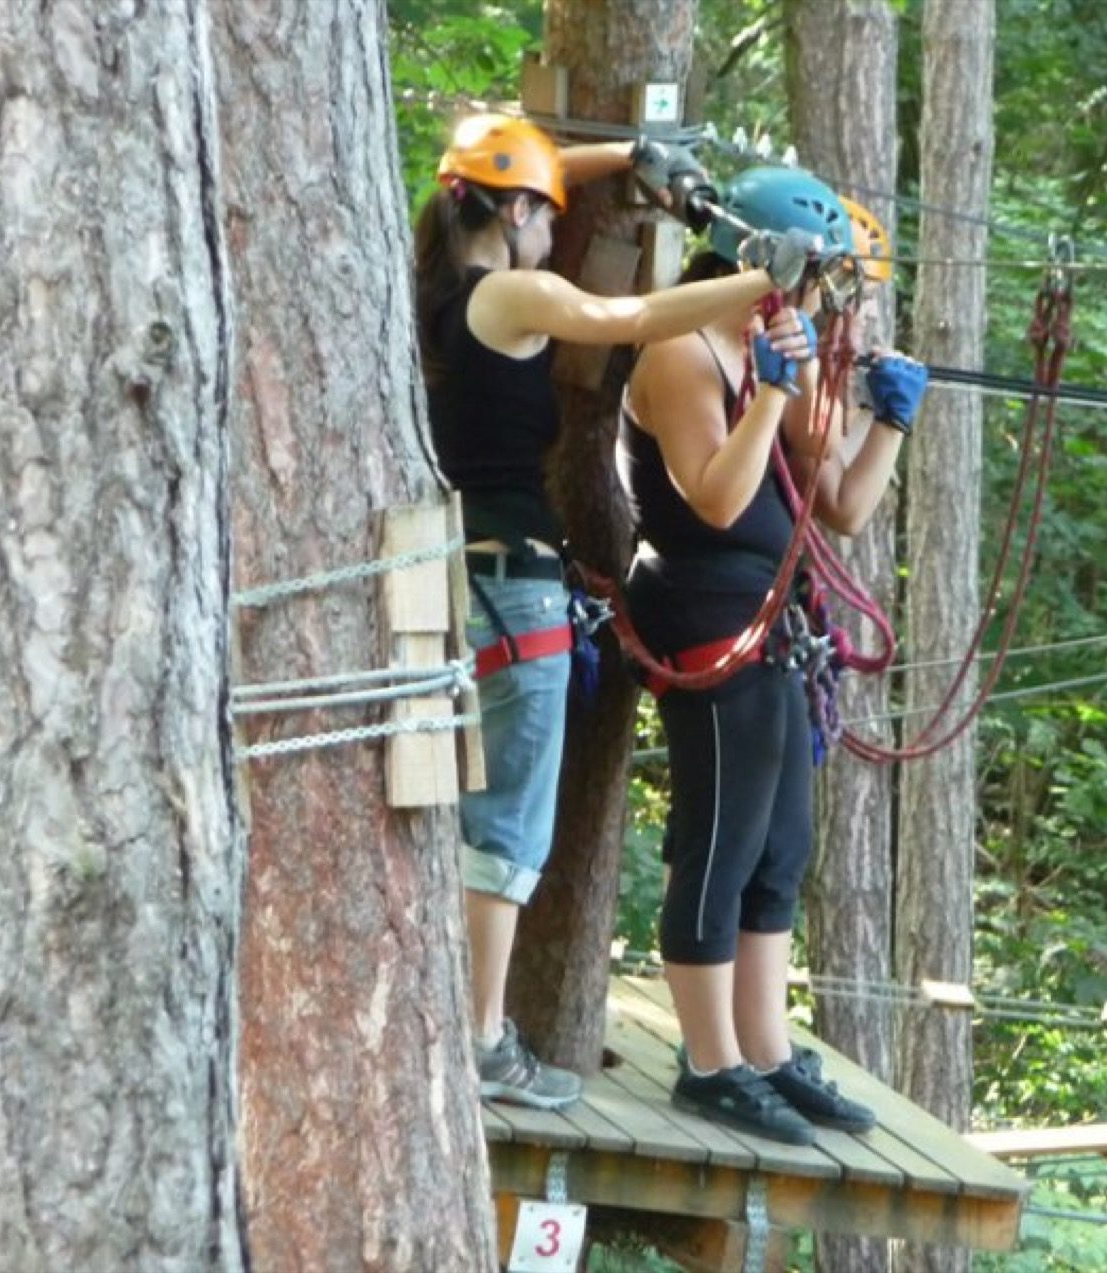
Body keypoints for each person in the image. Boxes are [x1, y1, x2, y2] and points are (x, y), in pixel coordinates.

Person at [414, 116, 816, 1111]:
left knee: (480, 815)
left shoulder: (436, 292)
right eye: (544, 216)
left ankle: (467, 1023)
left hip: (476, 578)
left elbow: (518, 172)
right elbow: (630, 322)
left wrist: (628, 160)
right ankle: (478, 1038)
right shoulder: (509, 291)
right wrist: (763, 279)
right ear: (509, 215)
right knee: (507, 827)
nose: (556, 230)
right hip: (513, 589)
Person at [618, 166, 929, 1144]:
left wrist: (885, 416)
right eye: (818, 279)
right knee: (721, 839)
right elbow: (712, 496)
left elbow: (841, 499)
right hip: (705, 604)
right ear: (770, 262)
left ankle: (764, 1050)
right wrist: (770, 392)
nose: (826, 301)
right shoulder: (679, 349)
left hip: (772, 613)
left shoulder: (766, 343)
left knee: (779, 844)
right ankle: (708, 1061)